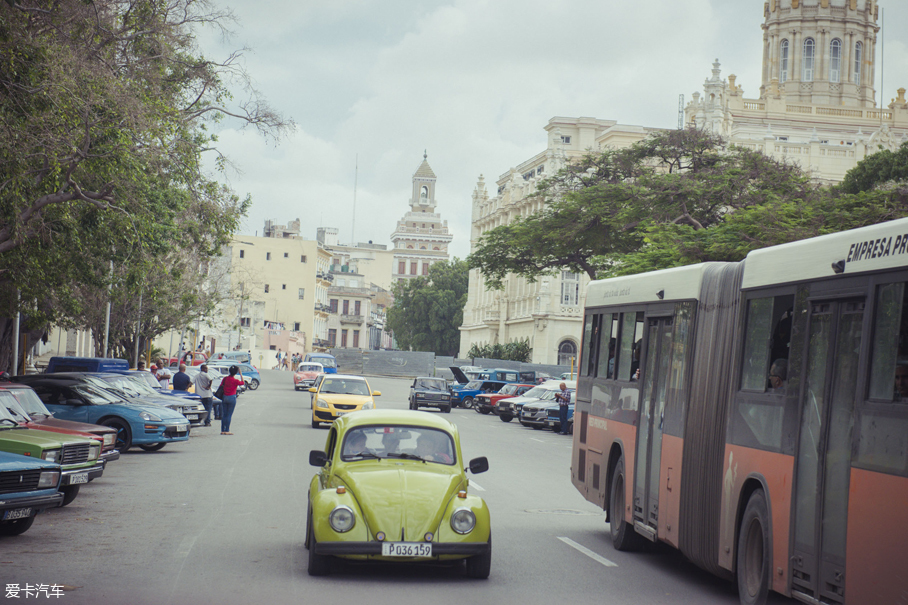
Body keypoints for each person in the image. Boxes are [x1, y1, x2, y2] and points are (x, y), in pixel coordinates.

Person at [219, 365, 244, 435]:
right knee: (229, 415)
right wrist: (241, 374)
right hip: (232, 397)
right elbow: (243, 383)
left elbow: (221, 385)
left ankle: (222, 430)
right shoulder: (235, 380)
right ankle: (227, 430)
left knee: (224, 414)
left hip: (224, 397)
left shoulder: (225, 379)